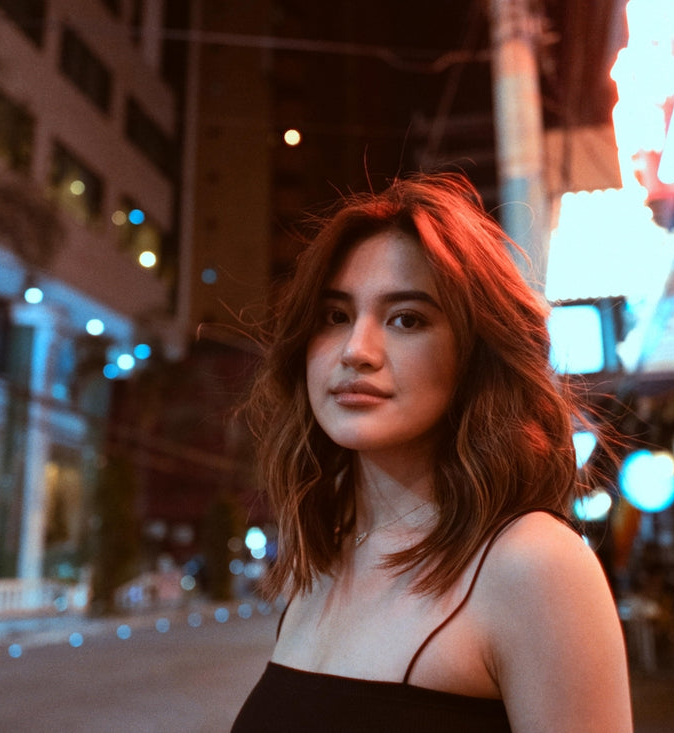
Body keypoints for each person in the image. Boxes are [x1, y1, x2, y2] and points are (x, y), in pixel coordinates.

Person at [231, 172, 632, 733]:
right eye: (335, 316)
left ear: (476, 355)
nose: (356, 350)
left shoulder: (535, 564)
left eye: (407, 319)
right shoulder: (325, 563)